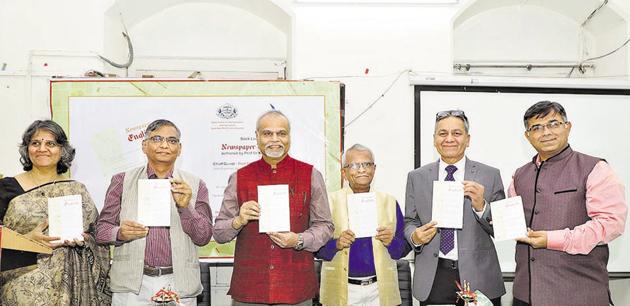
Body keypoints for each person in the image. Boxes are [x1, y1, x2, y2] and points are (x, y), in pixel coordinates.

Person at [510, 101, 627, 306]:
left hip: (578, 295)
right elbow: (512, 224)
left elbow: (610, 224)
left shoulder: (595, 168)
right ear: (527, 135)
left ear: (568, 126)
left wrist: (552, 239)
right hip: (525, 295)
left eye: (553, 124)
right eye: (536, 128)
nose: (545, 132)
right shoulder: (519, 175)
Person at [213, 110, 334, 305]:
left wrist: (299, 240)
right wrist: (238, 221)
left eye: (282, 133)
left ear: (289, 137)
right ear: (257, 137)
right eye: (268, 133)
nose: (275, 139)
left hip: (295, 288)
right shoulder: (239, 177)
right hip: (250, 288)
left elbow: (325, 226)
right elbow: (219, 233)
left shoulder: (310, 175)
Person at [96, 119, 213, 306]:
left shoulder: (195, 184)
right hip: (133, 285)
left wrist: (185, 207)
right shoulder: (122, 181)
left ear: (180, 149)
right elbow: (101, 231)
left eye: (172, 141)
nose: (165, 145)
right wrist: (119, 233)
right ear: (144, 145)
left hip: (178, 283)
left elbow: (204, 237)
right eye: (157, 139)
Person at [0, 120, 111, 305]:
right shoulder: (6, 189)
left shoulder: (77, 190)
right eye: (35, 143)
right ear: (27, 149)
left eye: (50, 143)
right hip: (20, 289)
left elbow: (97, 237)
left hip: (71, 290)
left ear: (62, 151)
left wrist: (84, 240)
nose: (42, 148)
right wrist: (27, 239)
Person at [404, 110, 505, 306]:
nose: (449, 139)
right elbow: (410, 220)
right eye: (442, 133)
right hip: (433, 277)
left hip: (479, 276)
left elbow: (501, 228)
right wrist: (415, 236)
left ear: (468, 139)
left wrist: (481, 206)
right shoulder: (417, 177)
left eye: (457, 133)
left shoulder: (489, 175)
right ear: (434, 140)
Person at [317, 144, 410, 306]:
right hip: (342, 289)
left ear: (374, 169)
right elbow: (317, 250)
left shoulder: (389, 202)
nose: (362, 170)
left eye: (367, 164)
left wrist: (391, 242)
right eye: (354, 165)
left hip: (380, 291)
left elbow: (402, 250)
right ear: (344, 173)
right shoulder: (329, 203)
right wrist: (337, 244)